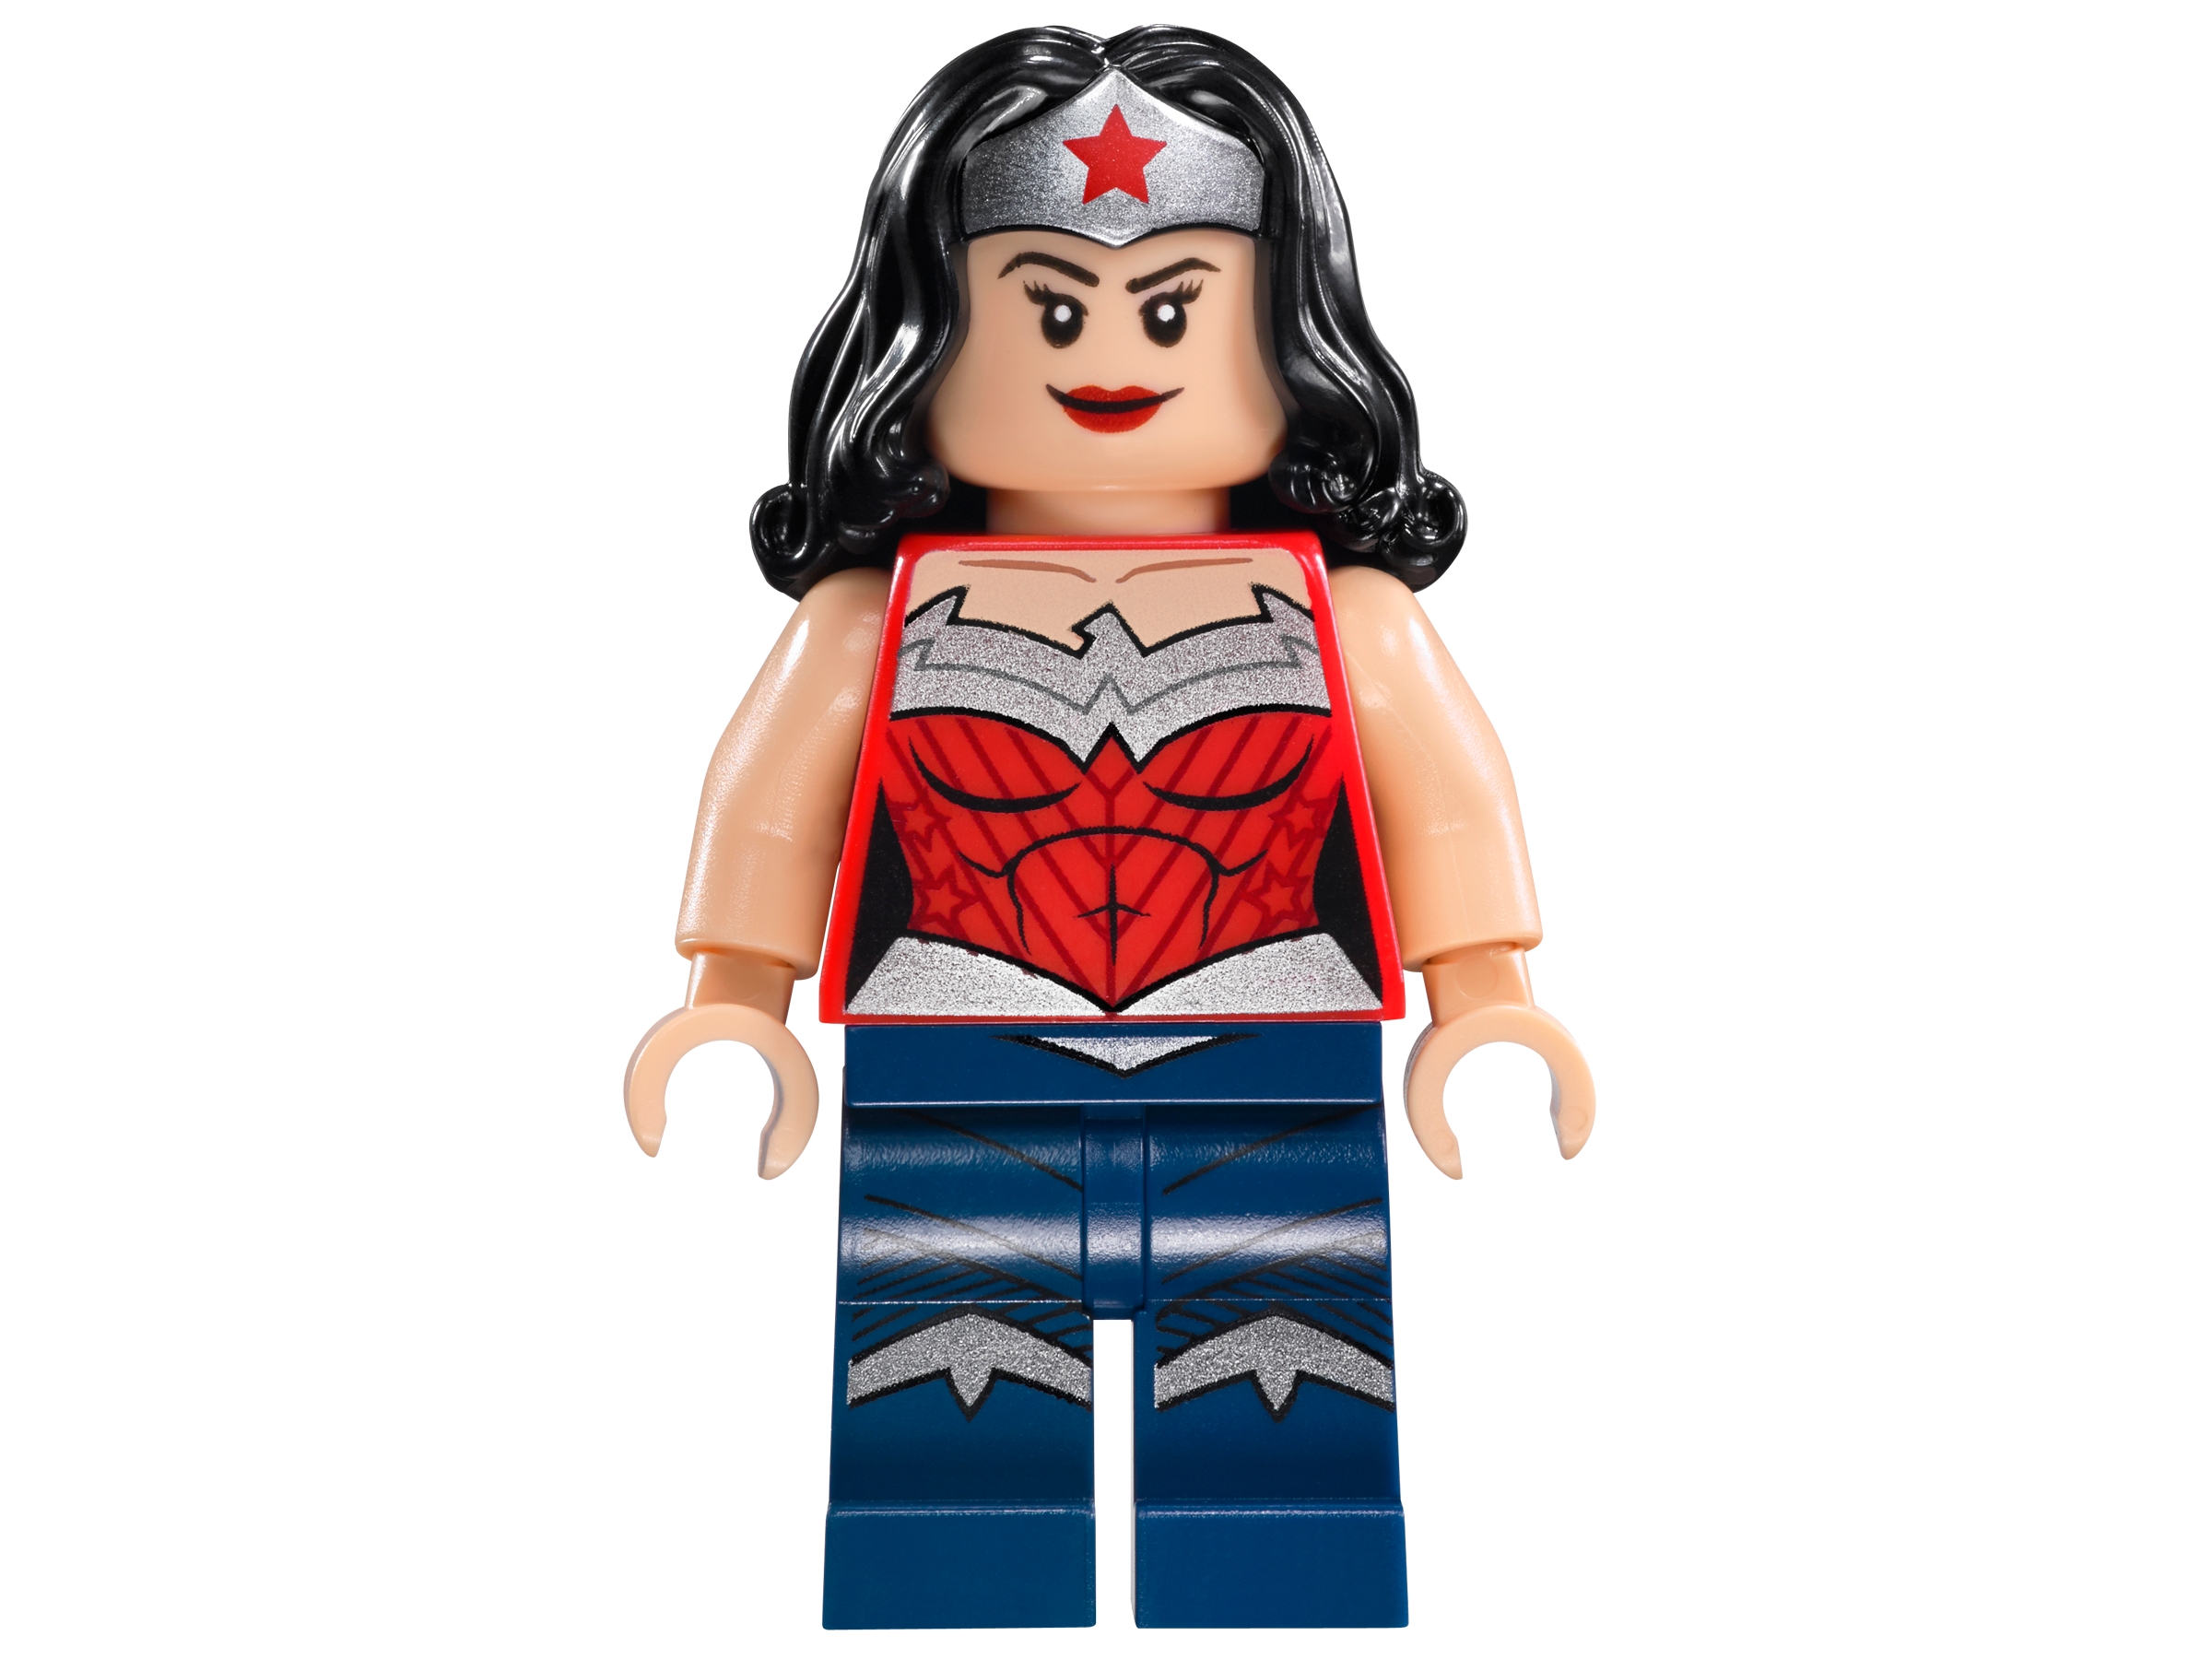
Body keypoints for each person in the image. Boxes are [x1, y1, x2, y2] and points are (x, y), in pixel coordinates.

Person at [623, 26, 1594, 1630]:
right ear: (925, 344)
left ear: (1285, 337)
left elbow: (1450, 798)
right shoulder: (874, 617)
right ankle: (961, 1590)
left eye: (1174, 308)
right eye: (1053, 309)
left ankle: (1275, 1588)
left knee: (1288, 1421)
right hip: (954, 1079)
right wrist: (734, 998)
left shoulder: (1345, 613)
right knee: (947, 1427)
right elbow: (770, 801)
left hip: (1274, 1077)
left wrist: (1485, 996)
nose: (1112, 355)